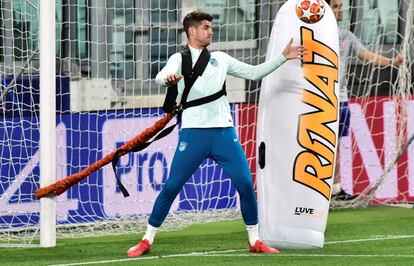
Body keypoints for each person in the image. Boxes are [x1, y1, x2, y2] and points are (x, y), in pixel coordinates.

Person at [127, 10, 305, 257]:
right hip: (193, 134)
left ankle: (255, 241)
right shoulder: (179, 58)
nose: (211, 31)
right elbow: (159, 77)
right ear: (192, 31)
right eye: (206, 27)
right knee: (172, 186)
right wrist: (167, 80)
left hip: (223, 133)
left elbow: (254, 73)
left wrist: (282, 58)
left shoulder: (221, 58)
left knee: (245, 183)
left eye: (211, 27)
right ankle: (147, 240)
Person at [326, 0, 403, 200]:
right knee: (320, 144)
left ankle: (335, 190)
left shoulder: (345, 35)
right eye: (335, 6)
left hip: (340, 99)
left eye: (340, 6)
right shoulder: (314, 35)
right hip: (320, 99)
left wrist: (392, 62)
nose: (340, 9)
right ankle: (315, 190)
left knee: (335, 145)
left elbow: (367, 56)